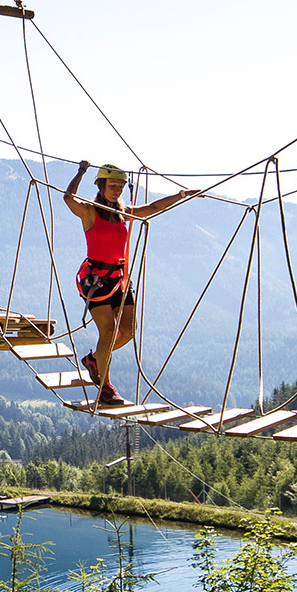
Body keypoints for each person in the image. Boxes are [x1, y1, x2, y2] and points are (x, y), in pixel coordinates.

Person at [63, 161, 200, 407]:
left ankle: (95, 360)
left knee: (127, 332)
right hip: (96, 281)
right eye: (112, 185)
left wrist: (181, 195)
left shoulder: (124, 212)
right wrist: (81, 171)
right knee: (108, 331)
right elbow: (68, 198)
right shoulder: (90, 211)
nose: (117, 189)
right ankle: (105, 387)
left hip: (120, 279)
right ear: (101, 185)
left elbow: (154, 207)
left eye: (120, 186)